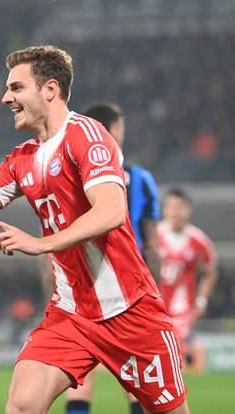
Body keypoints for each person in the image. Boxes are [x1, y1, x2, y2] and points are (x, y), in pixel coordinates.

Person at [0, 45, 189, 414]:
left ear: (50, 89)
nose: (5, 98)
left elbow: (112, 211)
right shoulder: (23, 159)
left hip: (131, 311)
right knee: (21, 406)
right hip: (71, 314)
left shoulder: (87, 134)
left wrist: (42, 243)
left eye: (16, 88)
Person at [64, 102, 162, 414]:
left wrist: (52, 291)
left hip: (83, 284)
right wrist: (156, 296)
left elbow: (57, 237)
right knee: (136, 377)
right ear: (116, 130)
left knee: (81, 374)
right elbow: (152, 245)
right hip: (130, 286)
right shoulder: (141, 179)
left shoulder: (69, 175)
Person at [157, 188, 217, 370]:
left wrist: (201, 301)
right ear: (164, 209)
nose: (175, 212)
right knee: (155, 354)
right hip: (154, 305)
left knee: (175, 357)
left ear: (189, 210)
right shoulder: (153, 237)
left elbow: (210, 271)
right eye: (171, 207)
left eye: (180, 207)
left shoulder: (199, 240)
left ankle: (176, 386)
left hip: (182, 309)